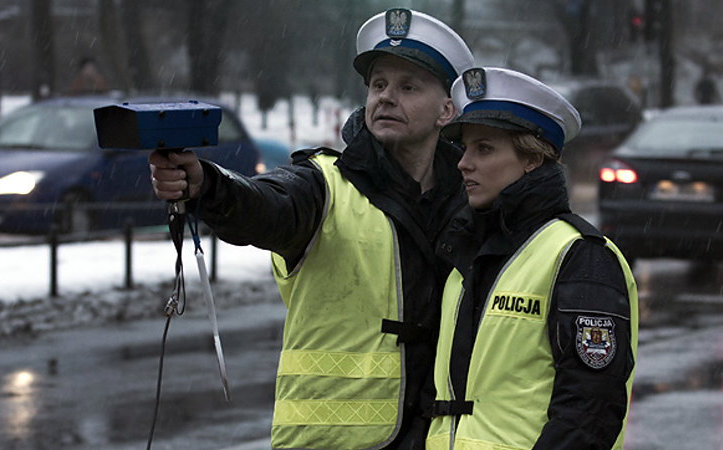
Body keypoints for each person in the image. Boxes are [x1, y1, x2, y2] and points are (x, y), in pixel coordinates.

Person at [149, 8, 474, 449]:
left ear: (446, 110)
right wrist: (209, 185)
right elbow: (265, 205)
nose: (386, 98)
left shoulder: (470, 201)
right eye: (378, 85)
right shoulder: (324, 184)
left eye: (408, 87)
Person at [426, 68, 638, 449]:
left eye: (484, 149)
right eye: (466, 148)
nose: (463, 163)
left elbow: (590, 410)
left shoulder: (579, 256)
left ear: (532, 159)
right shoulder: (465, 255)